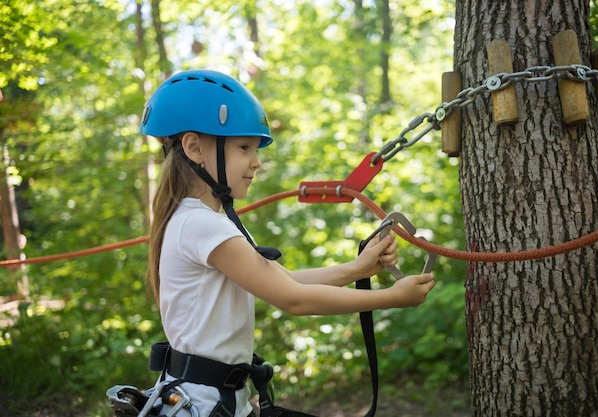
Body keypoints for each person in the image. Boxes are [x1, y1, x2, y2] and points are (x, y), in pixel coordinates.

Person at [140, 69, 436, 417]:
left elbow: (285, 278)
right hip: (204, 405)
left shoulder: (207, 222)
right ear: (194, 148)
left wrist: (359, 268)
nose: (256, 161)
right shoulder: (202, 225)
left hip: (210, 400)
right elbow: (292, 298)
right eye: (244, 147)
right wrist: (392, 298)